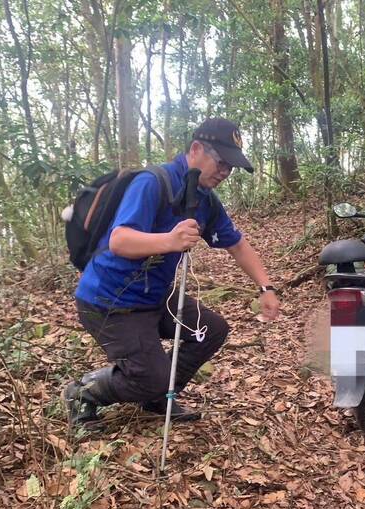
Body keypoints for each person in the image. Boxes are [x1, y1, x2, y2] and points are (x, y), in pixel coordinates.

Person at [63, 117, 280, 426]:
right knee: (153, 377)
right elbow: (119, 240)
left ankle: (158, 394)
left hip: (154, 296)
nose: (224, 172)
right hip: (110, 301)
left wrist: (265, 287)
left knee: (212, 330)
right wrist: (169, 240)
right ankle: (82, 392)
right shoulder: (153, 182)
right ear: (195, 149)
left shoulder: (206, 200)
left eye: (230, 168)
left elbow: (237, 245)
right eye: (221, 162)